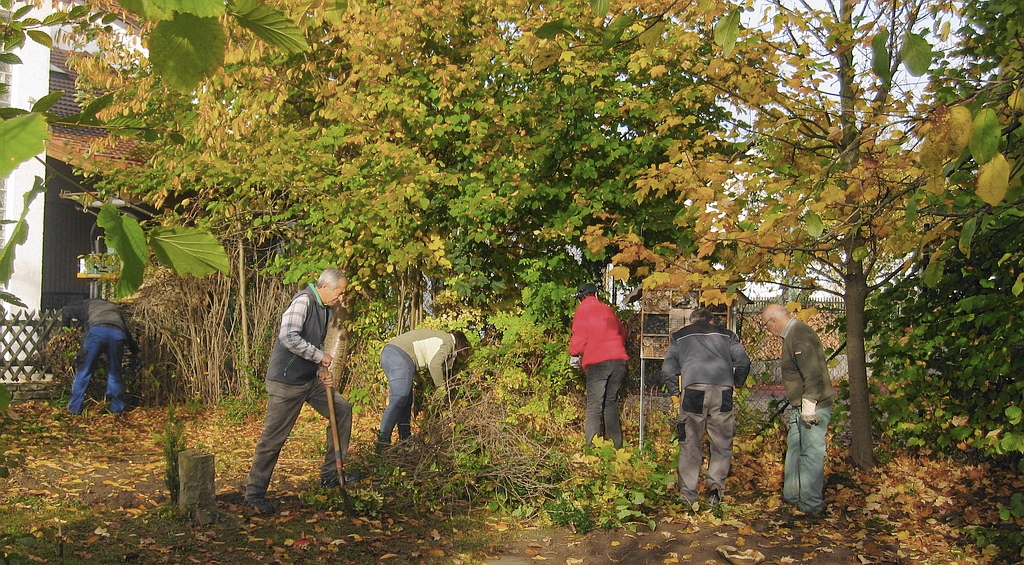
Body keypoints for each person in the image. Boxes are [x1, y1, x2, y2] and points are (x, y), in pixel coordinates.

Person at [244, 268, 355, 515]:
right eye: (339, 292)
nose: (340, 298)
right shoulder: (303, 301)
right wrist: (320, 356)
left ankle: (330, 475)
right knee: (273, 439)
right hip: (286, 383)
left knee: (342, 410)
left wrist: (319, 368)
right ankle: (254, 495)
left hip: (309, 381)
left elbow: (312, 343)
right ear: (325, 286)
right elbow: (288, 337)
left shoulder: (325, 308)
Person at [661, 308, 750, 507]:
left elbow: (668, 369)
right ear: (711, 321)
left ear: (692, 321)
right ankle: (715, 492)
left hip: (693, 390)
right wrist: (737, 384)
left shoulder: (679, 336)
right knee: (721, 442)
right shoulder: (727, 335)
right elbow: (743, 362)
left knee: (690, 442)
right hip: (723, 391)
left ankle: (688, 496)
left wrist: (675, 394)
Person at [761, 304, 835, 515]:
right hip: (800, 405)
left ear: (773, 321)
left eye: (767, 326)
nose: (769, 331)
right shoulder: (792, 335)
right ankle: (793, 497)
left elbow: (812, 374)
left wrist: (809, 405)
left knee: (810, 453)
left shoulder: (799, 335)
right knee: (794, 449)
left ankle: (811, 506)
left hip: (813, 405)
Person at [376, 328, 471, 450]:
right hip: (400, 355)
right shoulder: (448, 342)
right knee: (400, 397)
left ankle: (405, 439)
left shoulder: (440, 337)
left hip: (389, 354)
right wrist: (442, 388)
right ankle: (382, 442)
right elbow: (435, 364)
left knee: (406, 400)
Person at [569, 283, 629, 448]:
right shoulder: (608, 310)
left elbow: (580, 336)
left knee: (594, 405)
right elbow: (622, 333)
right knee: (610, 403)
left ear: (581, 298)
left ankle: (592, 448)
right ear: (596, 295)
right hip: (618, 361)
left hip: (598, 362)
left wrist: (574, 354)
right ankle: (616, 447)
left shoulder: (582, 310)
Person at [61, 298, 141, 415]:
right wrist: (136, 351)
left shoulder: (86, 304)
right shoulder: (114, 309)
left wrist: (64, 333)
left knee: (84, 370)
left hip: (96, 331)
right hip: (117, 334)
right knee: (115, 372)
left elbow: (66, 311)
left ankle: (75, 409)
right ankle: (116, 409)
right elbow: (126, 332)